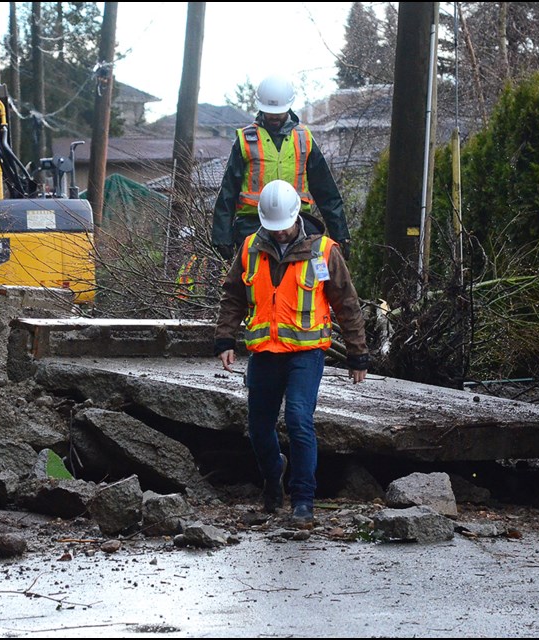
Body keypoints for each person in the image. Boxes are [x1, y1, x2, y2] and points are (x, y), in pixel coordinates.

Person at [213, 179, 368, 527]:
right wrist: (225, 340)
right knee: (258, 429)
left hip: (306, 354)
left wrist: (358, 354)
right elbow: (233, 296)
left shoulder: (324, 251)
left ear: (297, 217)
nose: (280, 234)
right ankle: (273, 481)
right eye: (274, 228)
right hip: (265, 352)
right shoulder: (250, 247)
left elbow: (346, 303)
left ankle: (303, 500)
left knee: (299, 420)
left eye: (284, 228)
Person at [211, 74, 351, 262]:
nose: (274, 116)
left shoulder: (304, 138)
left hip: (296, 223)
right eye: (270, 111)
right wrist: (222, 236)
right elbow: (228, 191)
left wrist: (340, 234)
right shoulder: (246, 140)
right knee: (254, 281)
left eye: (279, 111)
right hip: (253, 224)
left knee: (307, 276)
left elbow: (326, 191)